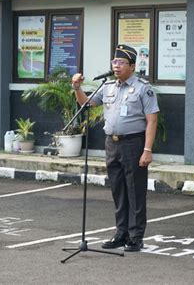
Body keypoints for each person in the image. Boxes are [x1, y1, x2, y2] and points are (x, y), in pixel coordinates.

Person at [71, 44, 159, 252]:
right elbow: (87, 104)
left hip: (133, 143)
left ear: (132, 66)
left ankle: (136, 237)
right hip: (112, 143)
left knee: (135, 191)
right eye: (114, 62)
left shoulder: (142, 88)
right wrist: (77, 88)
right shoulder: (107, 86)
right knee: (118, 190)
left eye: (121, 62)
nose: (116, 66)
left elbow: (152, 120)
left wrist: (147, 149)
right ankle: (121, 233)